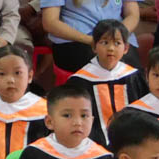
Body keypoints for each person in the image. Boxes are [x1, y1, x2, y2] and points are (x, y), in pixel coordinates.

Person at [63, 19, 147, 147]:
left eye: (117, 43)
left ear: (126, 48)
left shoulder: (134, 77)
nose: (111, 48)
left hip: (133, 142)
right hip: (92, 144)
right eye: (105, 42)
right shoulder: (79, 81)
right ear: (94, 47)